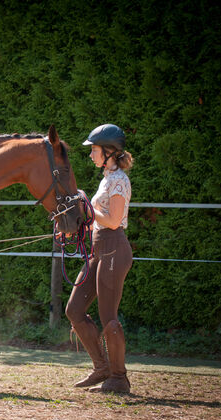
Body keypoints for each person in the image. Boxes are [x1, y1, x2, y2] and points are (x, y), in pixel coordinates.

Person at [65, 124, 134, 393]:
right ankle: (101, 368)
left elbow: (115, 221)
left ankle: (118, 378)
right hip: (100, 247)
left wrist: (88, 208)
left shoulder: (118, 181)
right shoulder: (107, 178)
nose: (91, 154)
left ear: (109, 151)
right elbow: (98, 220)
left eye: (94, 150)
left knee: (108, 317)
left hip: (114, 248)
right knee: (74, 309)